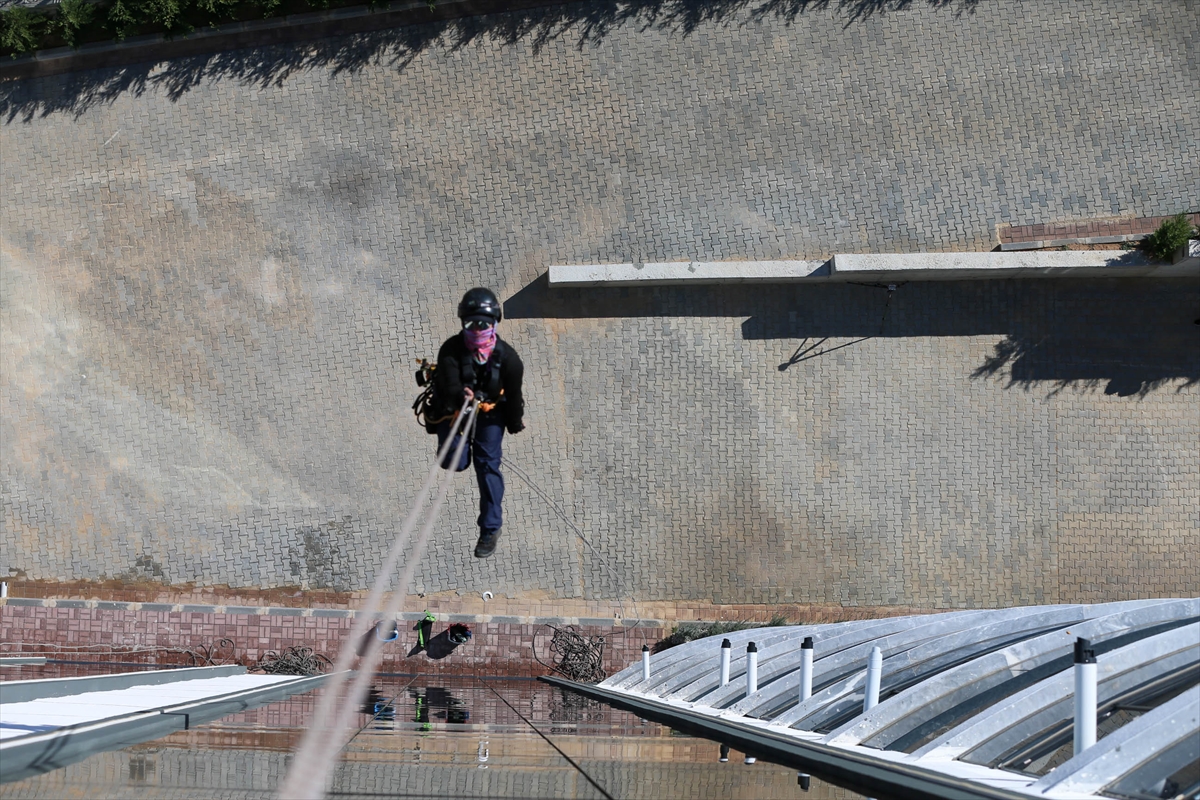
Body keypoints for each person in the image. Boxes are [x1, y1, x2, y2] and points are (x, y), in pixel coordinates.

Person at [433, 288, 525, 557]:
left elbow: (515, 396)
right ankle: (454, 448)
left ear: (494, 323)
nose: (476, 330)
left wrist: (514, 422)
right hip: (455, 409)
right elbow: (449, 383)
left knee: (487, 466)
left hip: (490, 414)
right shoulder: (451, 350)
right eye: (470, 324)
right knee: (455, 461)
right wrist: (461, 395)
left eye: (483, 325)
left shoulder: (510, 361)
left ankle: (490, 528)